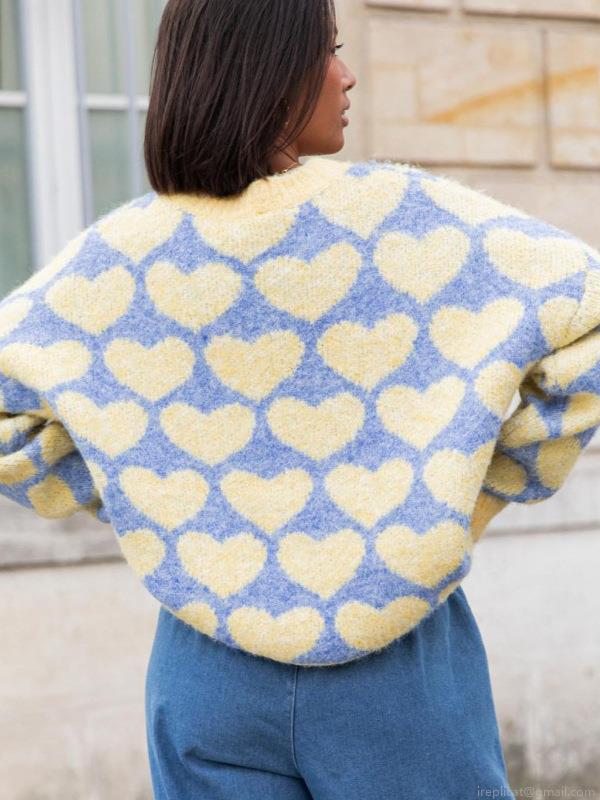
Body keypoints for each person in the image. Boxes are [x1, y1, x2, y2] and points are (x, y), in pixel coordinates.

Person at [1, 0, 600, 797]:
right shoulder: (409, 220)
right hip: (394, 659)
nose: (346, 76)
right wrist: (467, 483)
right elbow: (587, 321)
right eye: (328, 51)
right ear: (269, 69)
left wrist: (157, 491)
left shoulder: (121, 259)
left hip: (205, 665)